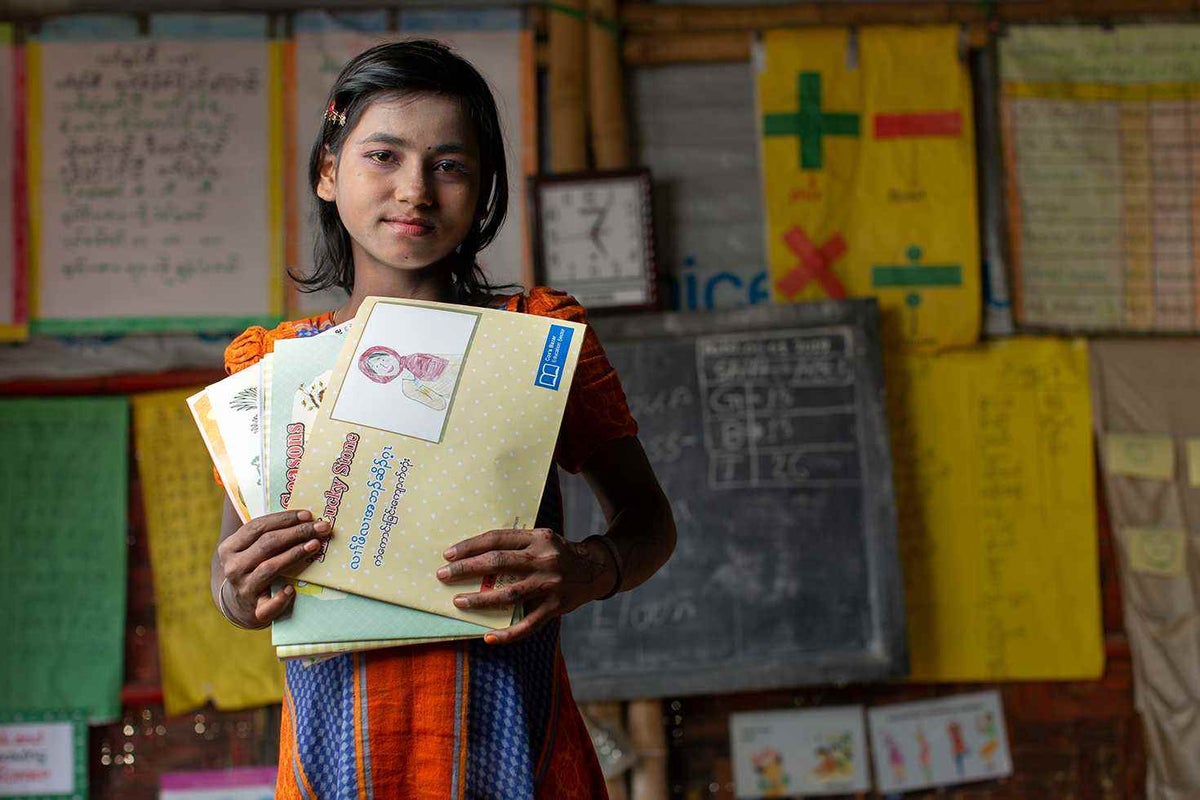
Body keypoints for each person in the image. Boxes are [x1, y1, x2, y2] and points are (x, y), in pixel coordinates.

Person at [209, 40, 676, 800]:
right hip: (339, 761)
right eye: (383, 156)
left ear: (484, 186)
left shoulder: (538, 336)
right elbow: (231, 578)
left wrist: (591, 568)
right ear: (329, 172)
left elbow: (649, 519)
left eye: (450, 165)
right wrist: (239, 588)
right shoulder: (274, 368)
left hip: (516, 751)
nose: (415, 190)